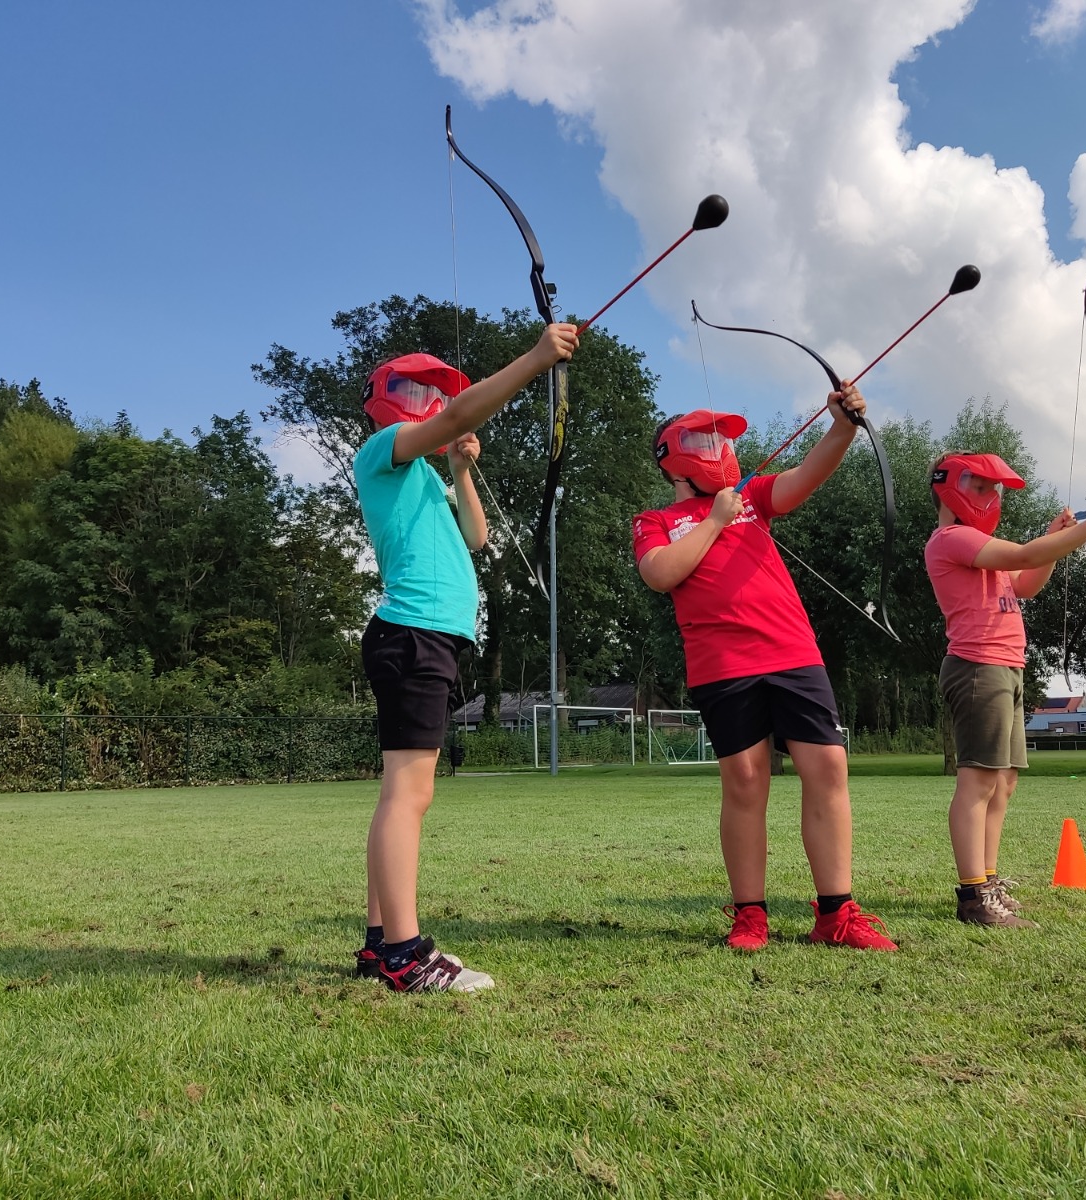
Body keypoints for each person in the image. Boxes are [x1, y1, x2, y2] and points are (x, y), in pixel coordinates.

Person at [632, 386, 897, 953]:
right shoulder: (655, 520)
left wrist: (843, 426)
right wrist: (713, 521)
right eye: (706, 437)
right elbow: (660, 574)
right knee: (746, 782)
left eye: (723, 437)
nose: (720, 446)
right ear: (672, 455)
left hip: (793, 653)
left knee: (827, 768)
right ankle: (750, 914)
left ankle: (836, 913)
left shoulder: (752, 496)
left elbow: (807, 475)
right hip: (723, 666)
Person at [353, 327, 577, 991]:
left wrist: (461, 469)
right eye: (414, 389)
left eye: (431, 391)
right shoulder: (381, 452)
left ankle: (377, 948)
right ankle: (405, 956)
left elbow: (476, 537)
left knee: (401, 794)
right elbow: (458, 414)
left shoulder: (425, 472)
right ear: (383, 399)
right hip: (411, 636)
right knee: (408, 795)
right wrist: (537, 360)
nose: (428, 401)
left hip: (431, 640)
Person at [923, 451, 1086, 927]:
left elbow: (1028, 581)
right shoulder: (951, 539)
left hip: (1005, 669)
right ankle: (973, 897)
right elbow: (1022, 555)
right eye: (981, 486)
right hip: (978, 668)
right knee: (977, 782)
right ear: (950, 487)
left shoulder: (982, 546)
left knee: (1003, 781)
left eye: (995, 488)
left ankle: (988, 880)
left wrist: (1060, 539)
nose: (992, 496)